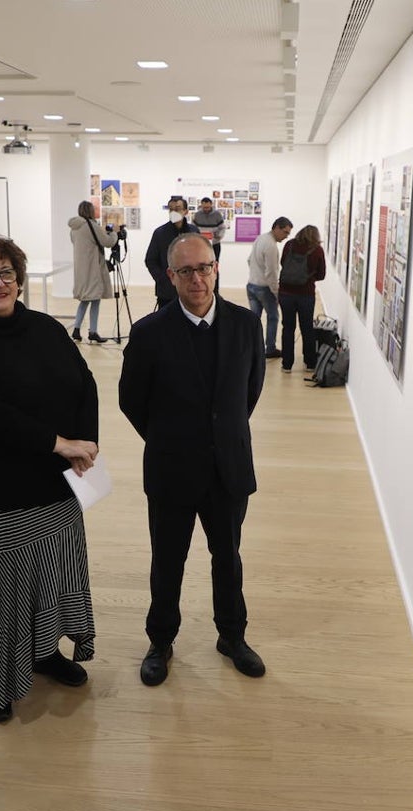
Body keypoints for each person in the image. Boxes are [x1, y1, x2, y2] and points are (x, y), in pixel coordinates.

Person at [0, 234, 99, 723]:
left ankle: (44, 651)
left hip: (52, 485)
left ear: (19, 278)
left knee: (51, 575)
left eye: (6, 273)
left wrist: (86, 443)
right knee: (1, 589)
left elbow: (84, 382)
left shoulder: (46, 329)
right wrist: (59, 444)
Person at [119, 233, 267, 687]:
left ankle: (232, 635)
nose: (197, 278)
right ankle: (160, 640)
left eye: (204, 268)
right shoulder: (148, 333)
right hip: (172, 468)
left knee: (228, 557)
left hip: (228, 468)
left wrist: (220, 434)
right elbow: (132, 401)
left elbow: (250, 391)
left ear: (217, 268)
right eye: (186, 271)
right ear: (171, 276)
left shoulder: (246, 325)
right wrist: (169, 438)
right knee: (168, 559)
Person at [278, 224, 326, 373]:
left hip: (286, 293)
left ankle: (287, 365)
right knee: (307, 328)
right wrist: (308, 277)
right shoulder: (317, 250)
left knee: (288, 327)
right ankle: (310, 363)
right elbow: (321, 275)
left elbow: (283, 263)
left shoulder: (289, 244)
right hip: (306, 294)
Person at [68, 199, 117, 343]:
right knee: (95, 299)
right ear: (89, 211)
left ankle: (77, 329)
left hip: (81, 269)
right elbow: (108, 242)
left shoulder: (74, 228)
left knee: (85, 299)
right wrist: (113, 233)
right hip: (92, 269)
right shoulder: (91, 226)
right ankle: (93, 331)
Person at [246, 216, 293, 359]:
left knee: (254, 319)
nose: (286, 237)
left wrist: (255, 274)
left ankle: (251, 347)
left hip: (251, 285)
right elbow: (271, 272)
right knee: (273, 317)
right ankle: (270, 348)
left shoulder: (260, 238)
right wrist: (276, 292)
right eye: (285, 232)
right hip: (264, 288)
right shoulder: (271, 246)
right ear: (276, 227)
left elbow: (249, 259)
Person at [144, 195, 198, 309]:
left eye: (177, 209)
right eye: (171, 209)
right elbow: (150, 260)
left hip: (190, 289)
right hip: (167, 292)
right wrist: (162, 279)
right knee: (165, 324)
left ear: (185, 211)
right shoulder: (160, 233)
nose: (174, 212)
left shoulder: (194, 232)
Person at [192, 196, 228, 265]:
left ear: (211, 205)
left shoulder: (217, 214)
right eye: (204, 207)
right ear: (201, 205)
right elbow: (193, 228)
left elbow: (222, 228)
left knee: (215, 263)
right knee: (201, 263)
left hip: (214, 243)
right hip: (201, 243)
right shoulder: (197, 215)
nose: (206, 209)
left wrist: (218, 236)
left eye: (207, 207)